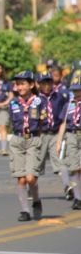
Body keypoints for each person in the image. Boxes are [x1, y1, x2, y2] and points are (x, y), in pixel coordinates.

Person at [8, 71, 45, 221]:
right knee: (21, 179)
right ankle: (24, 210)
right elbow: (13, 122)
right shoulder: (13, 103)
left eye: (23, 83)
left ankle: (36, 199)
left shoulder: (39, 101)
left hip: (32, 141)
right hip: (17, 141)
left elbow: (42, 122)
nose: (20, 87)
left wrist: (38, 139)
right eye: (17, 84)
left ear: (31, 85)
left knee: (30, 178)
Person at [36, 72, 70, 199]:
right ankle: (32, 188)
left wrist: (60, 138)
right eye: (43, 83)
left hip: (56, 133)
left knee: (61, 160)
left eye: (49, 83)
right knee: (36, 163)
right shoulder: (35, 99)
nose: (46, 86)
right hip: (41, 134)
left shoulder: (60, 97)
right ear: (38, 84)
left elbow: (63, 119)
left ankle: (68, 186)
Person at [56, 76, 81, 210]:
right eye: (75, 90)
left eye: (79, 90)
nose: (77, 93)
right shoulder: (69, 104)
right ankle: (78, 198)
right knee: (74, 168)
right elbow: (64, 123)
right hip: (72, 136)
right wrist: (59, 140)